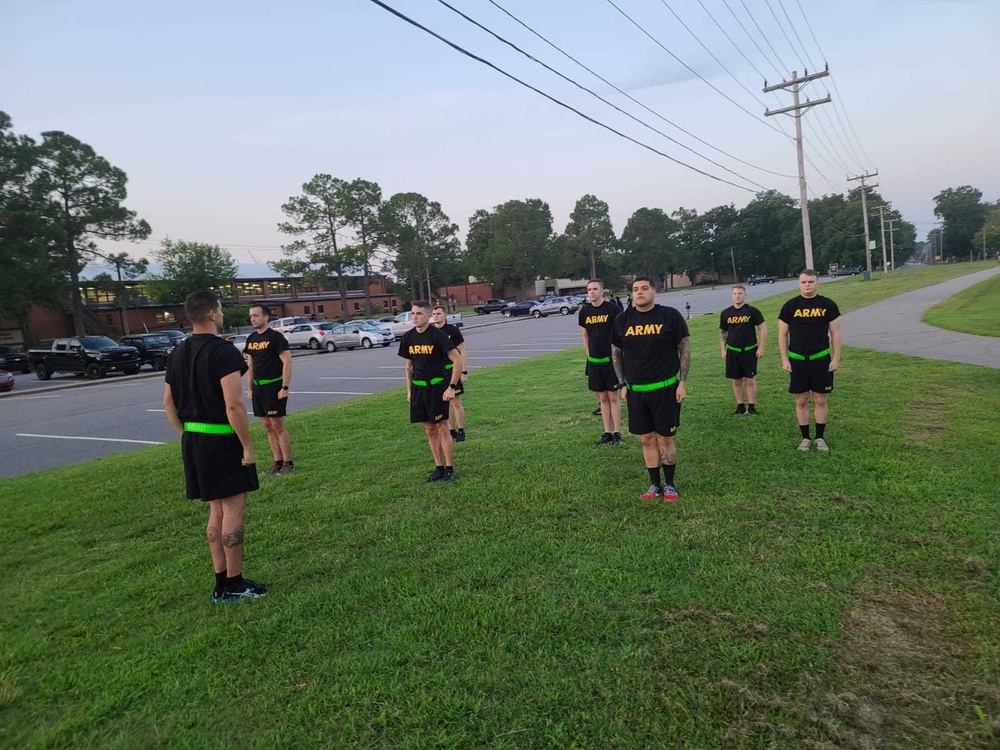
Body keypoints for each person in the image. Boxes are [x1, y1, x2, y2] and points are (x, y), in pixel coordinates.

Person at [162, 290, 266, 604]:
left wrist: (187, 434)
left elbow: (168, 402)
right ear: (211, 314)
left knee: (216, 510)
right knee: (233, 509)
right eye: (219, 309)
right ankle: (234, 585)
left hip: (194, 439)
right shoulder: (224, 352)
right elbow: (233, 405)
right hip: (222, 439)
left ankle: (221, 583)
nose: (221, 314)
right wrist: (247, 446)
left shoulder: (177, 352)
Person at [611, 276, 690, 502]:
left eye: (645, 288)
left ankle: (670, 485)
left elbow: (684, 350)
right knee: (646, 438)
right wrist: (623, 384)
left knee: (665, 438)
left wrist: (682, 382)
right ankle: (654, 484)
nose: (639, 292)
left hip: (665, 388)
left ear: (655, 291)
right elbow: (616, 353)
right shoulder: (622, 320)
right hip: (637, 390)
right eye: (635, 289)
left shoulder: (670, 316)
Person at [778, 269, 842, 451]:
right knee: (801, 399)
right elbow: (782, 335)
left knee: (821, 399)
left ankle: (820, 438)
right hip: (797, 359)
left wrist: (836, 358)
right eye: (804, 282)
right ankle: (805, 438)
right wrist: (785, 359)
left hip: (821, 358)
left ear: (817, 283)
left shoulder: (827, 305)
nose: (807, 285)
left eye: (811, 282)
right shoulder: (790, 306)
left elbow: (835, 333)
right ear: (799, 283)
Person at [399, 300, 462, 481]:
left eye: (418, 314)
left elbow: (457, 360)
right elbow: (408, 367)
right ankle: (438, 468)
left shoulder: (438, 335)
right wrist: (409, 390)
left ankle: (449, 469)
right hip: (419, 388)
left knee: (442, 427)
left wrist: (451, 387)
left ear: (428, 316)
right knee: (429, 429)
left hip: (438, 386)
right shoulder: (408, 337)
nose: (415, 317)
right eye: (413, 314)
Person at [244, 304, 294, 476]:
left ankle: (287, 462)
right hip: (258, 388)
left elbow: (287, 362)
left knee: (277, 424)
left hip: (274, 386)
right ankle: (277, 461)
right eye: (251, 316)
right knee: (267, 425)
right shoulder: (250, 339)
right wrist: (250, 388)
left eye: (256, 315)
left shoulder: (276, 337)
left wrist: (284, 387)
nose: (253, 319)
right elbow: (250, 364)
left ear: (266, 317)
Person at [580, 278, 623, 445]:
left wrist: (617, 357)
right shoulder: (584, 311)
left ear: (602, 291)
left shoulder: (613, 309)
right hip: (594, 361)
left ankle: (617, 433)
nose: (591, 292)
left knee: (613, 396)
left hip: (610, 360)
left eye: (594, 289)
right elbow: (585, 335)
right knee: (602, 398)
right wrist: (589, 356)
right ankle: (607, 432)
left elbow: (620, 334)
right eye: (589, 289)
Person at [719, 284, 767, 416]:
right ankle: (740, 406)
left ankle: (751, 407)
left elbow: (763, 328)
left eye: (740, 293)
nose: (737, 296)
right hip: (732, 351)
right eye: (734, 293)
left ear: (745, 295)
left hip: (749, 350)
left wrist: (761, 347)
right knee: (736, 380)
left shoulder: (752, 311)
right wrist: (723, 350)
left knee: (750, 379)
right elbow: (723, 332)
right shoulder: (726, 313)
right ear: (731, 295)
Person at [432, 303, 468, 442]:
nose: (436, 316)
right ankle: (450, 431)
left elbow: (462, 351)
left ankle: (461, 431)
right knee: (444, 402)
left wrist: (464, 371)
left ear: (444, 316)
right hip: (438, 374)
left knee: (456, 402)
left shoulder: (452, 331)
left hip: (452, 371)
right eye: (434, 314)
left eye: (438, 314)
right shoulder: (431, 332)